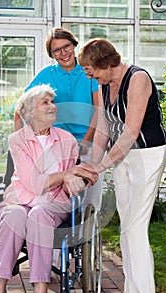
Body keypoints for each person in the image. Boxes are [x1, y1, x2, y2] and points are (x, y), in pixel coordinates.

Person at [0, 84, 98, 293]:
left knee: (39, 215)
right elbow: (33, 182)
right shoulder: (17, 140)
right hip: (19, 199)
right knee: (15, 214)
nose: (52, 106)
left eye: (52, 101)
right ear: (30, 112)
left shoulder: (67, 140)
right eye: (45, 102)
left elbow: (87, 174)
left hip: (52, 204)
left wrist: (79, 177)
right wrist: (66, 173)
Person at [77, 38, 166, 293]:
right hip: (122, 158)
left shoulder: (137, 78)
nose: (89, 75)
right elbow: (105, 128)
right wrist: (92, 164)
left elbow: (130, 132)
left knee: (134, 229)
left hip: (146, 154)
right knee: (126, 225)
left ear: (105, 62)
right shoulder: (105, 85)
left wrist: (102, 165)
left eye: (91, 70)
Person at [14, 27, 103, 214]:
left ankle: (88, 231)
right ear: (51, 54)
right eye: (57, 50)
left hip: (87, 140)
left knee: (90, 198)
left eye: (67, 46)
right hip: (56, 144)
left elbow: (98, 110)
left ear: (74, 45)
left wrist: (86, 140)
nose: (64, 53)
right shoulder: (47, 74)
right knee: (56, 192)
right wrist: (22, 140)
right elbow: (20, 109)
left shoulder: (87, 70)